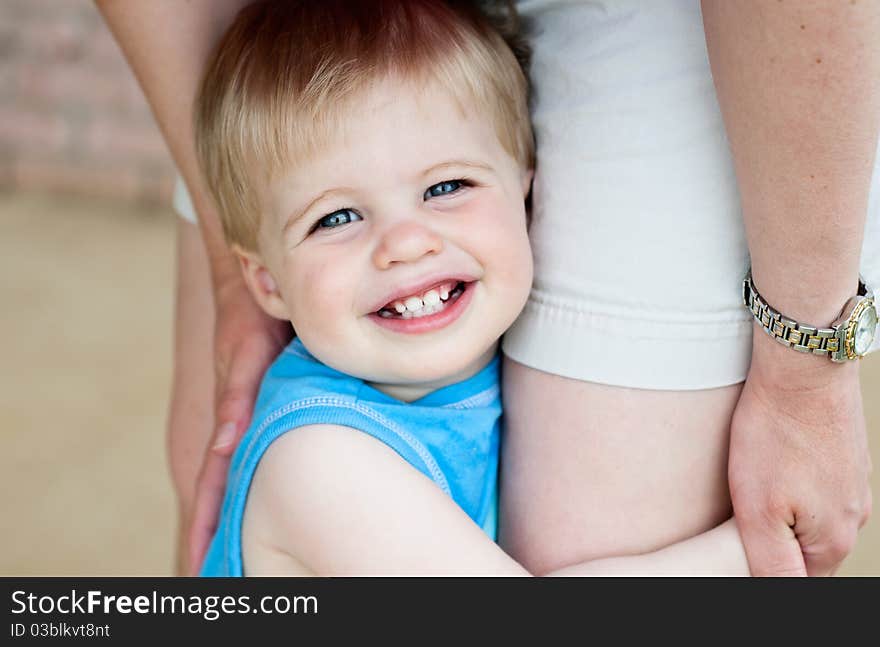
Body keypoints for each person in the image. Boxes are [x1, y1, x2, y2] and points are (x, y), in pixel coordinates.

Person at [95, 0, 879, 576]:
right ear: (262, 280)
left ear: (531, 195)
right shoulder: (319, 463)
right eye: (336, 215)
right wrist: (751, 552)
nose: (406, 241)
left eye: (446, 189)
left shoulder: (445, 384)